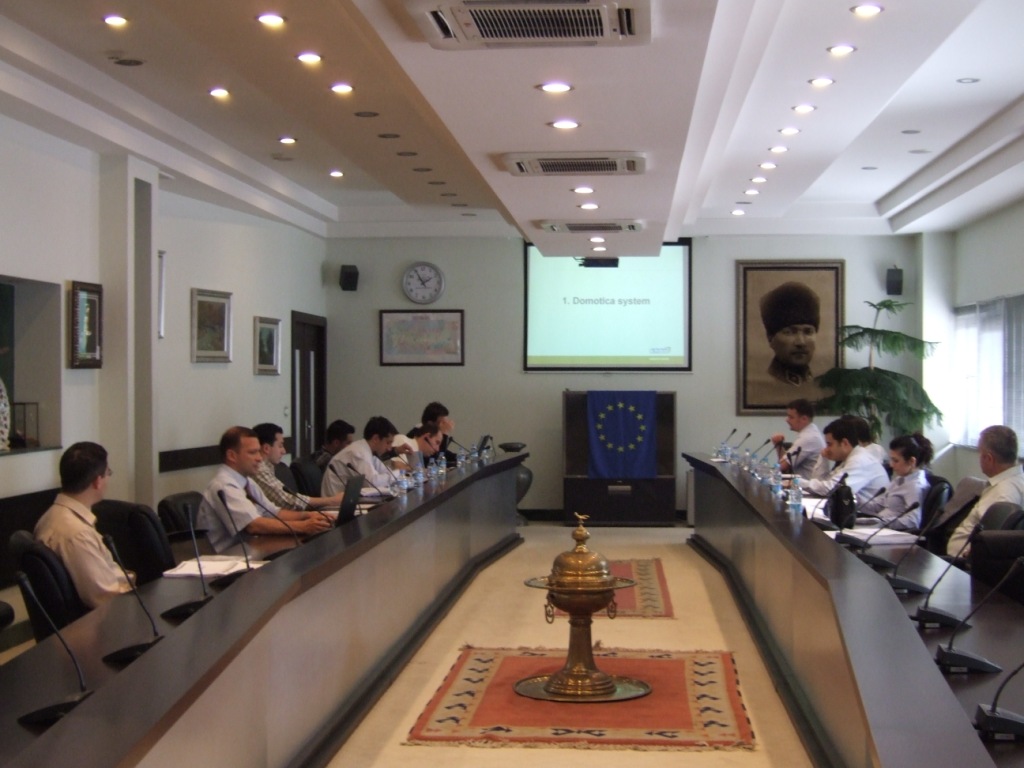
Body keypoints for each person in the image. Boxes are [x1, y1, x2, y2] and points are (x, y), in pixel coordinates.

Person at [198, 426, 331, 552]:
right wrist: (303, 526)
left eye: (258, 451)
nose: (259, 458)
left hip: (251, 550)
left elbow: (273, 512)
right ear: (232, 455)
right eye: (252, 452)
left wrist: (308, 515)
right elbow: (253, 525)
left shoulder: (247, 481)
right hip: (226, 559)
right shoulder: (224, 485)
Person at [33, 442, 132, 608]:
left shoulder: (51, 516)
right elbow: (107, 598)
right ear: (98, 481)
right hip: (109, 616)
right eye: (108, 473)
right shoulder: (77, 535)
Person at [947, 425, 1024, 557]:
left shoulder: (1003, 494)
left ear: (989, 459)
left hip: (963, 564)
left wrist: (968, 557)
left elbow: (989, 546)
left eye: (979, 454)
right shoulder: (1016, 480)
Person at [251, 423, 344, 510]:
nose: (284, 451)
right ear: (266, 448)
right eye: (280, 446)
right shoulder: (259, 469)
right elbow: (287, 501)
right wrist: (331, 501)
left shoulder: (269, 467)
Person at [803, 417, 889, 506]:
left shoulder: (859, 460)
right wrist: (823, 458)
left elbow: (831, 490)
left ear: (844, 443)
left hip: (870, 514)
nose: (827, 449)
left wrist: (798, 482)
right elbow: (821, 484)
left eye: (829, 444)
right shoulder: (850, 458)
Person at [858, 433, 933, 531]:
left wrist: (883, 523)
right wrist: (854, 499)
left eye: (896, 461)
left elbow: (913, 521)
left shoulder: (915, 486)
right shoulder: (899, 479)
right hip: (880, 526)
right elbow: (877, 506)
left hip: (892, 531)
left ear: (912, 461)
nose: (891, 465)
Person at [760, 282, 819, 387]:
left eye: (808, 331)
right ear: (770, 337)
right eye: (789, 332)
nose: (801, 342)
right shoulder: (760, 385)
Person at [322, 416, 398, 496]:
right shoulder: (358, 452)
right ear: (375, 439)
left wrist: (395, 475)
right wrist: (399, 473)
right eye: (388, 442)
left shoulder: (369, 452)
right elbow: (372, 484)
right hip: (335, 501)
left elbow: (386, 473)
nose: (389, 448)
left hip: (350, 499)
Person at [770, 398, 825, 479]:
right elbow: (786, 462)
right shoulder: (810, 432)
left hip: (808, 485)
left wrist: (764, 471)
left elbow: (782, 466)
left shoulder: (808, 438)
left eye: (791, 417)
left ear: (804, 419)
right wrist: (778, 445)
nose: (787, 420)